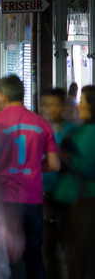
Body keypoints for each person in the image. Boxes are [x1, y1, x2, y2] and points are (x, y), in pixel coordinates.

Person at [0, 75, 60, 278]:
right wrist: (33, 166)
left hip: (2, 199)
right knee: (34, 256)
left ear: (2, 95)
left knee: (4, 258)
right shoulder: (42, 123)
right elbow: (54, 164)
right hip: (32, 198)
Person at [53, 85, 95, 279]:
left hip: (86, 199)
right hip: (78, 198)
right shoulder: (82, 129)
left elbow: (86, 167)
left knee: (82, 254)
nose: (79, 104)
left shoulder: (89, 132)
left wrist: (65, 156)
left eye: (83, 100)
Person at [39, 87, 77, 279]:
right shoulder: (39, 130)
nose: (48, 109)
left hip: (67, 198)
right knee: (47, 250)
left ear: (62, 106)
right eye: (45, 105)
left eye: (53, 104)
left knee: (70, 250)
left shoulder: (73, 133)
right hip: (44, 197)